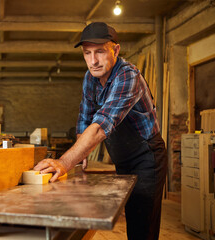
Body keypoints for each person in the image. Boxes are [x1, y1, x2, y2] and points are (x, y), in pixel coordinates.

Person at [34, 22, 168, 240]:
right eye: (87, 53)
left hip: (147, 157)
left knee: (141, 225)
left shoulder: (128, 76)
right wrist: (81, 155)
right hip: (123, 158)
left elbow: (100, 126)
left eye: (100, 52)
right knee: (130, 215)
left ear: (115, 50)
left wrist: (65, 161)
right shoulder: (90, 78)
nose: (93, 61)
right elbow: (85, 118)